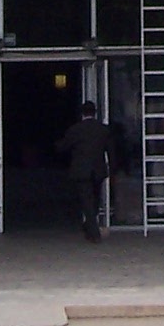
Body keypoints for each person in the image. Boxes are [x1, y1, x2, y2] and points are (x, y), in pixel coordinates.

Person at [55, 100, 114, 241]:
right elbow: (111, 151)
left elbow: (63, 147)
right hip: (98, 171)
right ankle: (90, 227)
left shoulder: (75, 130)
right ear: (95, 113)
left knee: (86, 201)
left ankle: (93, 232)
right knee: (94, 200)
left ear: (82, 113)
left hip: (81, 171)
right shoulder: (103, 130)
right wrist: (113, 168)